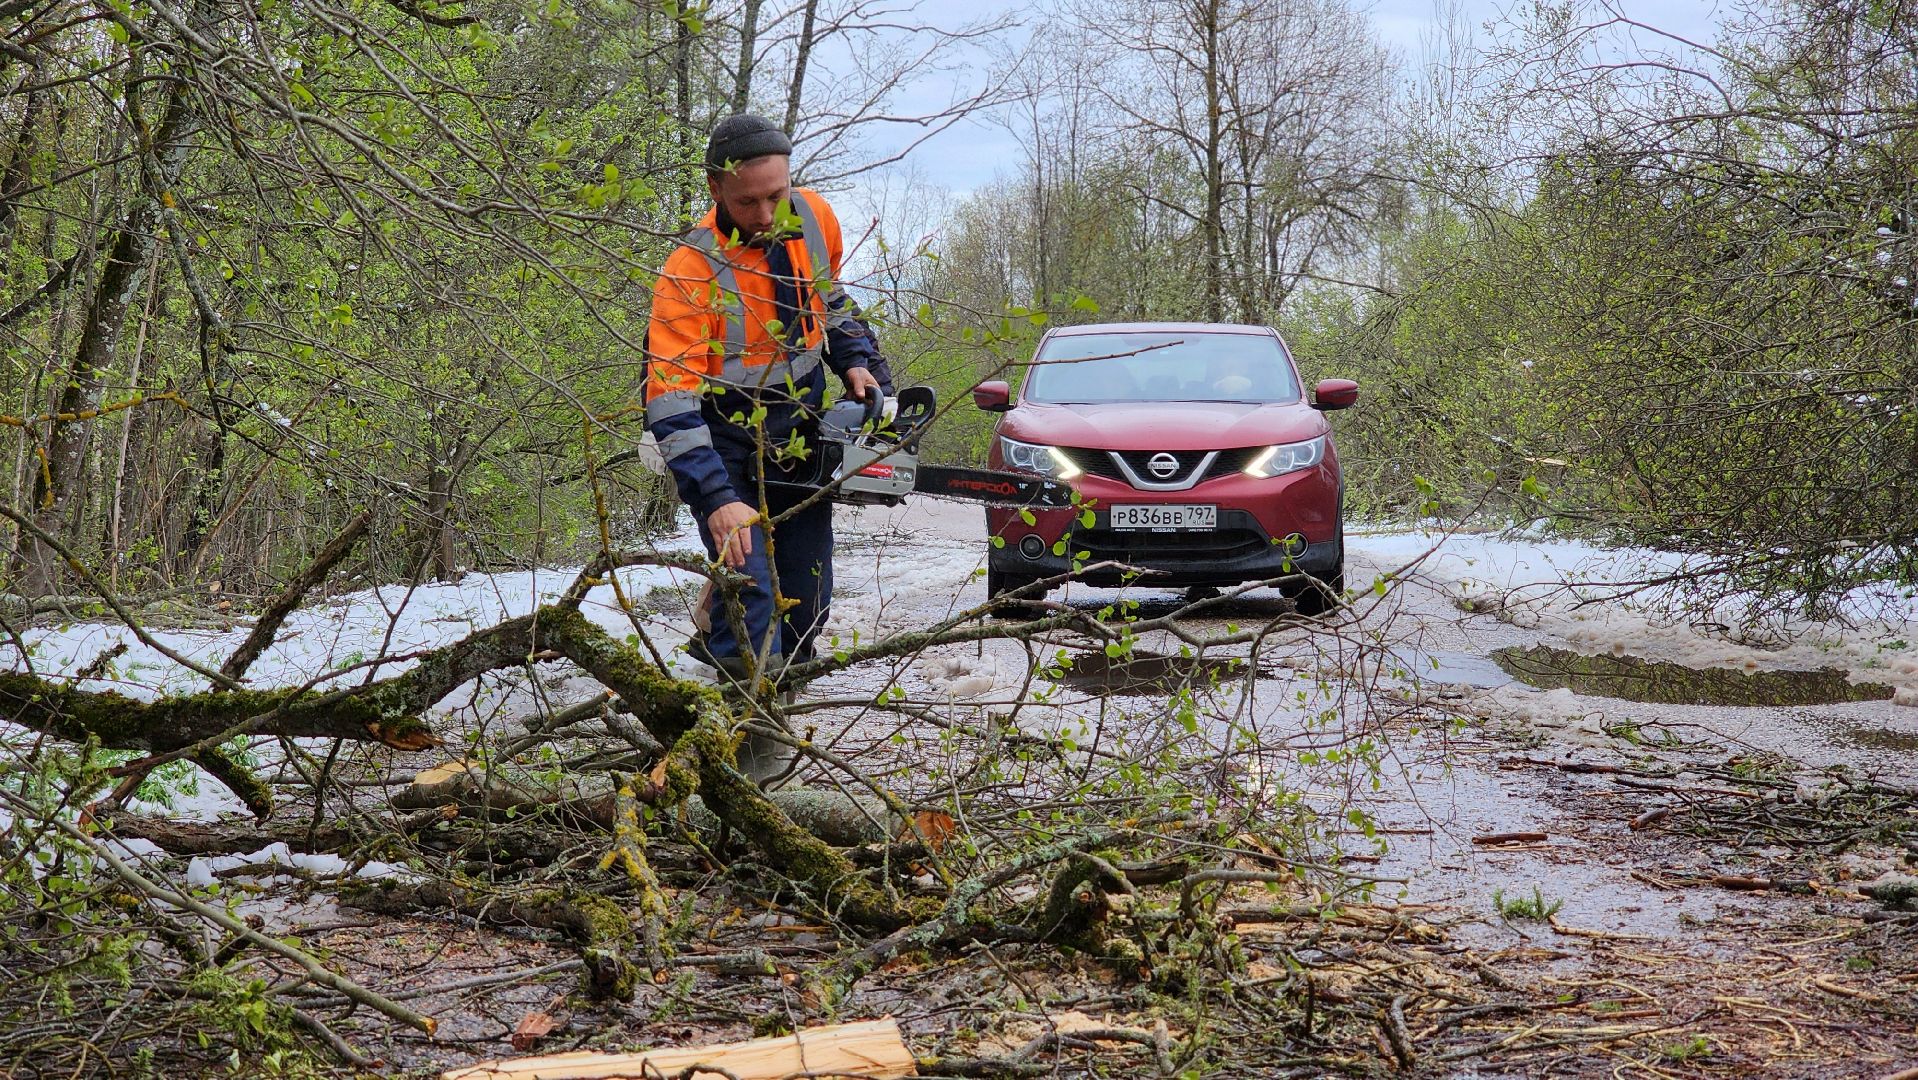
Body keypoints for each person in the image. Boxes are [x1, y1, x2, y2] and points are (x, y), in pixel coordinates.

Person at [645, 114, 889, 692]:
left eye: (775, 197)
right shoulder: (691, 270)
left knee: (806, 596)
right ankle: (744, 726)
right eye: (747, 201)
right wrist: (716, 498)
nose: (763, 215)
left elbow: (829, 299)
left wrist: (856, 359)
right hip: (722, 436)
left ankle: (784, 696)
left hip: (802, 424)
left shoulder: (815, 217)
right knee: (751, 597)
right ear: (715, 189)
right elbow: (670, 400)